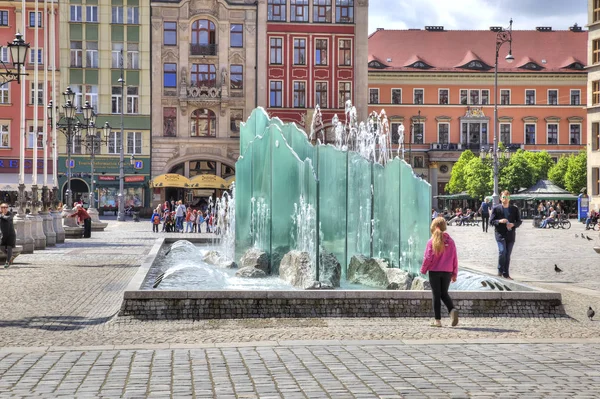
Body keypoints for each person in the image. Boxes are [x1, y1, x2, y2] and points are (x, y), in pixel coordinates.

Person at [420, 216, 459, 328]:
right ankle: (452, 310)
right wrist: (454, 273)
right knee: (444, 293)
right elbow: (454, 258)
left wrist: (423, 269)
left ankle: (437, 321)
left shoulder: (431, 241)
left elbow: (428, 257)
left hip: (434, 271)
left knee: (436, 295)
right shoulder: (451, 242)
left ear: (434, 227)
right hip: (447, 271)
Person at [489, 190, 522, 279]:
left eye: (507, 197)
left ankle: (506, 274)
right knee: (502, 251)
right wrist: (499, 221)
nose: (506, 199)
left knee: (507, 255)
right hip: (500, 234)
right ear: (500, 198)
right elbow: (491, 221)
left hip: (510, 235)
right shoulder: (496, 208)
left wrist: (513, 224)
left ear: (509, 198)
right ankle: (500, 270)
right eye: (504, 197)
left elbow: (519, 221)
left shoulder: (514, 209)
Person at [0, 203, 16, 268]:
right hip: (3, 235)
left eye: (6, 207)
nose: (5, 208)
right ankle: (10, 256)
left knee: (9, 248)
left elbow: (7, 218)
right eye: (3, 207)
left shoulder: (10, 214)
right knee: (1, 247)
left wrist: (0, 215)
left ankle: (7, 262)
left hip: (11, 235)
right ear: (1, 208)